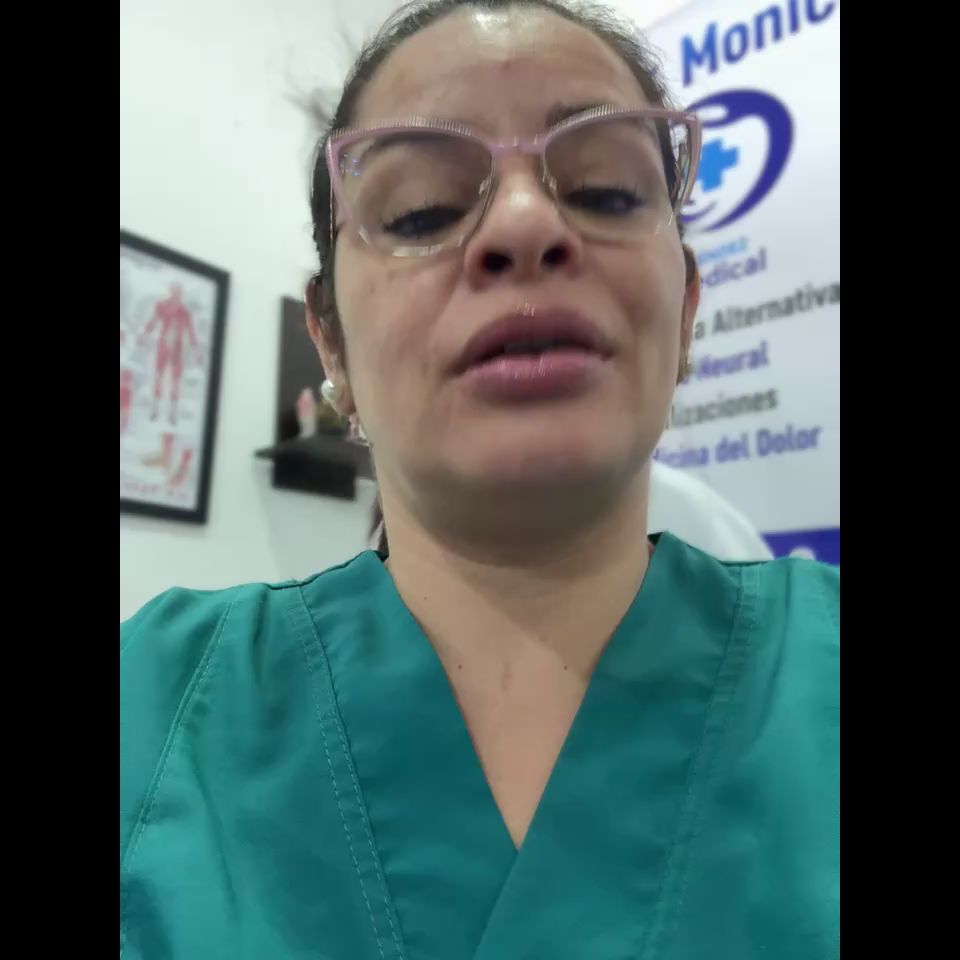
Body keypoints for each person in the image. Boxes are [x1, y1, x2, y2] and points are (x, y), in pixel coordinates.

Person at [120, 2, 839, 957]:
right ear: (329, 343)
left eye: (608, 192)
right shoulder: (153, 704)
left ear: (687, 309)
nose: (527, 225)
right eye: (421, 210)